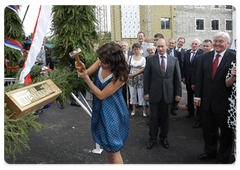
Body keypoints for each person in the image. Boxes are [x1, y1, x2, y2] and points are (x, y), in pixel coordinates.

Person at [75, 42, 129, 165]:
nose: (100, 63)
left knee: (114, 150)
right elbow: (85, 73)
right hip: (101, 110)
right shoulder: (101, 62)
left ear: (114, 62)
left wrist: (86, 78)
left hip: (113, 113)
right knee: (106, 147)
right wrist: (82, 68)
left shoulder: (120, 76)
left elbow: (101, 95)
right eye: (100, 60)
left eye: (104, 62)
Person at [194, 32, 237, 164]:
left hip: (224, 102)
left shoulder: (234, 57)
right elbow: (199, 77)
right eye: (216, 41)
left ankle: (223, 157)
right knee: (208, 129)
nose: (217, 44)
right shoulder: (205, 57)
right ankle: (210, 151)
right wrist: (197, 96)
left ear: (227, 43)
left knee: (225, 133)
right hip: (206, 101)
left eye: (221, 41)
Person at [144, 38, 182, 149]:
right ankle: (152, 138)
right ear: (156, 47)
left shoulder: (174, 60)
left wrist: (178, 93)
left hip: (168, 94)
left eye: (162, 46)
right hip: (154, 94)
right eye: (158, 46)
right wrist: (146, 92)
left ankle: (164, 138)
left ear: (167, 46)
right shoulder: (151, 60)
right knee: (154, 118)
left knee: (166, 118)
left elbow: (177, 78)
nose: (160, 48)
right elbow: (146, 78)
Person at [191, 39, 213, 128]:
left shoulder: (213, 57)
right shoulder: (199, 57)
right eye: (204, 46)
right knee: (199, 104)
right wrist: (193, 82)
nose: (205, 48)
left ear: (211, 47)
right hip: (200, 85)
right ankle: (199, 120)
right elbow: (195, 72)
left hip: (210, 86)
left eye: (207, 46)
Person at [182, 38, 204, 118]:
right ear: (191, 45)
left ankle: (199, 115)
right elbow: (184, 66)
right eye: (193, 44)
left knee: (197, 97)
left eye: (195, 44)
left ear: (198, 45)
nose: (194, 45)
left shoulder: (202, 54)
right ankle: (190, 112)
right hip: (188, 79)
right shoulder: (186, 53)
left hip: (197, 79)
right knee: (189, 96)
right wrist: (183, 76)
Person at [128, 43, 147, 117]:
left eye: (137, 49)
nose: (136, 50)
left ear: (140, 49)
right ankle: (134, 109)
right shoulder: (130, 57)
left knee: (141, 94)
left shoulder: (143, 58)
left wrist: (134, 74)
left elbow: (143, 69)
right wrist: (128, 75)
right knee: (132, 94)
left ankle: (144, 110)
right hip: (131, 77)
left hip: (140, 77)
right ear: (132, 50)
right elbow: (128, 66)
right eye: (134, 49)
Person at [225, 59, 238, 164]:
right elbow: (227, 84)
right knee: (237, 138)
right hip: (236, 107)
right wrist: (233, 76)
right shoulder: (235, 63)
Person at [167, 38, 183, 116]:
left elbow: (180, 65)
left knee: (175, 92)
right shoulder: (163, 51)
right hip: (166, 76)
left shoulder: (177, 53)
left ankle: (173, 108)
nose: (171, 44)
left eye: (173, 43)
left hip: (174, 75)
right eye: (170, 43)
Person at [121, 41, 134, 108]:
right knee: (123, 90)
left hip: (130, 74)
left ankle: (131, 104)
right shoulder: (119, 55)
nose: (123, 47)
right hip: (122, 74)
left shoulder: (132, 54)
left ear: (127, 47)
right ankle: (124, 105)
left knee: (130, 90)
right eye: (122, 46)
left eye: (125, 46)